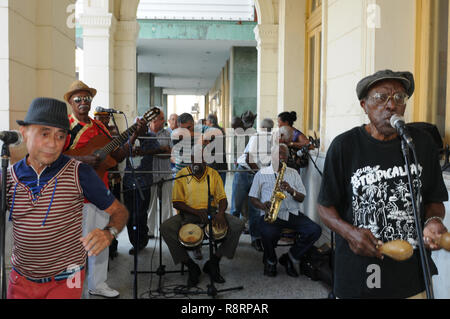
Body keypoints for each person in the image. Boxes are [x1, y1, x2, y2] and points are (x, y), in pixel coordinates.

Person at [317, 69, 448, 299]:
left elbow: (434, 200)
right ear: (364, 105)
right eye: (381, 97)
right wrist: (350, 234)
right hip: (362, 273)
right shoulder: (344, 146)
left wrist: (433, 221)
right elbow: (325, 208)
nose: (391, 105)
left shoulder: (421, 143)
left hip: (412, 275)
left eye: (399, 98)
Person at [3, 97, 128, 299]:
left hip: (66, 280)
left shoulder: (80, 173)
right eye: (45, 133)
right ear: (25, 133)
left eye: (60, 136)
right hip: (21, 280)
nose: (53, 143)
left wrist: (109, 232)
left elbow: (119, 211)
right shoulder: (8, 176)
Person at [63, 80, 146, 298]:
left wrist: (134, 134)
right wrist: (82, 159)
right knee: (75, 245)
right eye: (78, 99)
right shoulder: (65, 127)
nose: (83, 102)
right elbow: (55, 157)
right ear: (71, 102)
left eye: (87, 98)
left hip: (100, 194)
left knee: (100, 240)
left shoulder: (99, 126)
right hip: (75, 195)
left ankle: (97, 284)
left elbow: (116, 155)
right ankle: (72, 289)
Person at [160, 144, 245, 287]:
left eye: (200, 160)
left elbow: (222, 198)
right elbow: (177, 203)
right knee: (165, 228)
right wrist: (196, 212)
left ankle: (213, 262)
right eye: (194, 160)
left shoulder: (213, 174)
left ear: (206, 160)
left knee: (238, 225)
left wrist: (221, 213)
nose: (196, 164)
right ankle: (191, 266)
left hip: (210, 212)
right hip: (187, 214)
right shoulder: (182, 174)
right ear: (191, 159)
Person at [249, 144, 321, 277]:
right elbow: (252, 197)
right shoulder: (261, 174)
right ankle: (270, 260)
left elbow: (301, 197)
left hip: (292, 213)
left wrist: (291, 190)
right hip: (270, 214)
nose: (281, 157)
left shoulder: (293, 173)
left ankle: (291, 256)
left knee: (315, 230)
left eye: (284, 155)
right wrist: (262, 205)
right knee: (269, 233)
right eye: (278, 154)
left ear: (287, 158)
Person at [122, 119, 164, 255]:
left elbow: (159, 150)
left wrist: (144, 152)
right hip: (128, 182)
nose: (140, 128)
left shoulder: (150, 137)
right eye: (137, 126)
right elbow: (121, 153)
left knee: (140, 214)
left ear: (146, 127)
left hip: (144, 183)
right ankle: (134, 242)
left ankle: (142, 241)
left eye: (142, 126)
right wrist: (134, 138)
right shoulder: (127, 137)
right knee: (129, 215)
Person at [230, 116, 272, 252]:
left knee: (254, 209)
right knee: (235, 208)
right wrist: (259, 173)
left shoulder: (271, 140)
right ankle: (230, 238)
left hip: (255, 174)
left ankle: (255, 238)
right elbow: (249, 158)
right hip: (244, 172)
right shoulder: (257, 137)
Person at [94, 110, 121, 259]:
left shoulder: (113, 132)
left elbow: (118, 154)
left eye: (105, 117)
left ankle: (112, 248)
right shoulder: (92, 131)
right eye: (100, 117)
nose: (103, 120)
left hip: (113, 180)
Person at [147, 109, 173, 239]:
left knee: (167, 204)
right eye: (162, 118)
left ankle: (166, 230)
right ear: (153, 120)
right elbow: (143, 153)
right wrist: (161, 150)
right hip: (150, 176)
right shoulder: (144, 134)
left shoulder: (168, 133)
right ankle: (149, 231)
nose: (164, 121)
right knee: (150, 205)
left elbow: (170, 153)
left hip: (166, 174)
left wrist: (153, 152)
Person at [205, 113, 227, 185]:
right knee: (221, 190)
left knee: (211, 190)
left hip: (212, 164)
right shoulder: (222, 130)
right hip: (222, 164)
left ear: (210, 121)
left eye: (207, 121)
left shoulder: (210, 131)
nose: (206, 123)